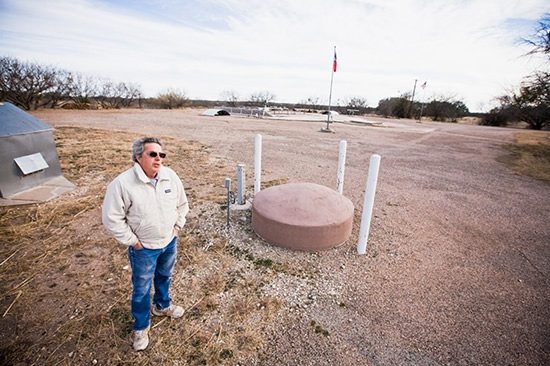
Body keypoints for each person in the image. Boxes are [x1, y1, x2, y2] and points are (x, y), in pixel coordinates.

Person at [102, 137, 189, 351]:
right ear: (138, 157)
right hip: (144, 249)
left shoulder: (170, 176)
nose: (158, 158)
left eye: (161, 154)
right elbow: (111, 218)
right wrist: (133, 242)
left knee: (164, 276)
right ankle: (141, 327)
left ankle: (162, 305)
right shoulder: (122, 184)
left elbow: (182, 204)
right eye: (152, 154)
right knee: (141, 288)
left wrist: (177, 227)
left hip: (169, 242)